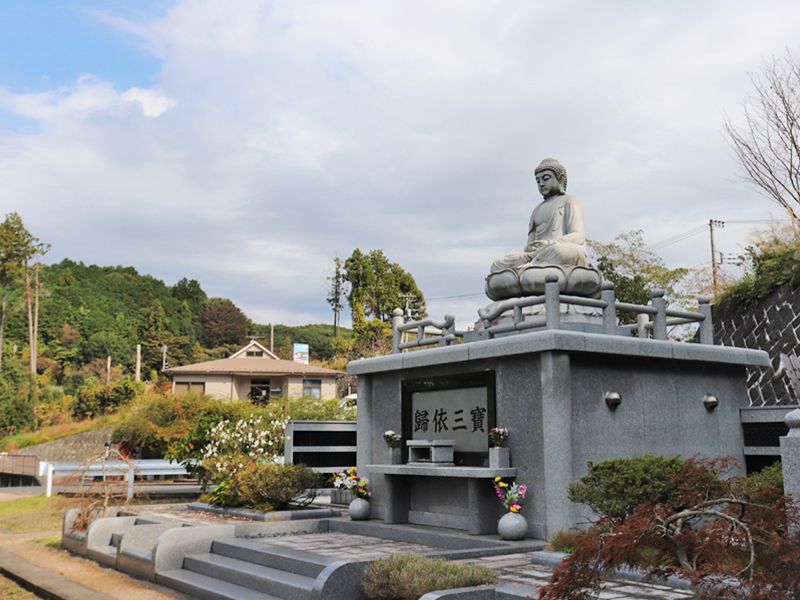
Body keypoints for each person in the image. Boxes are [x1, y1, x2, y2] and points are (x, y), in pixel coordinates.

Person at [490, 158, 588, 273]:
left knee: (563, 251)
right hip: (536, 255)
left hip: (557, 251)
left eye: (546, 179)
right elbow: (529, 245)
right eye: (538, 181)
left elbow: (579, 236)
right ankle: (533, 267)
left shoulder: (570, 201)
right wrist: (532, 251)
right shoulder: (536, 210)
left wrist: (549, 244)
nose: (541, 184)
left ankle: (531, 269)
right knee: (497, 265)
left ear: (560, 178)